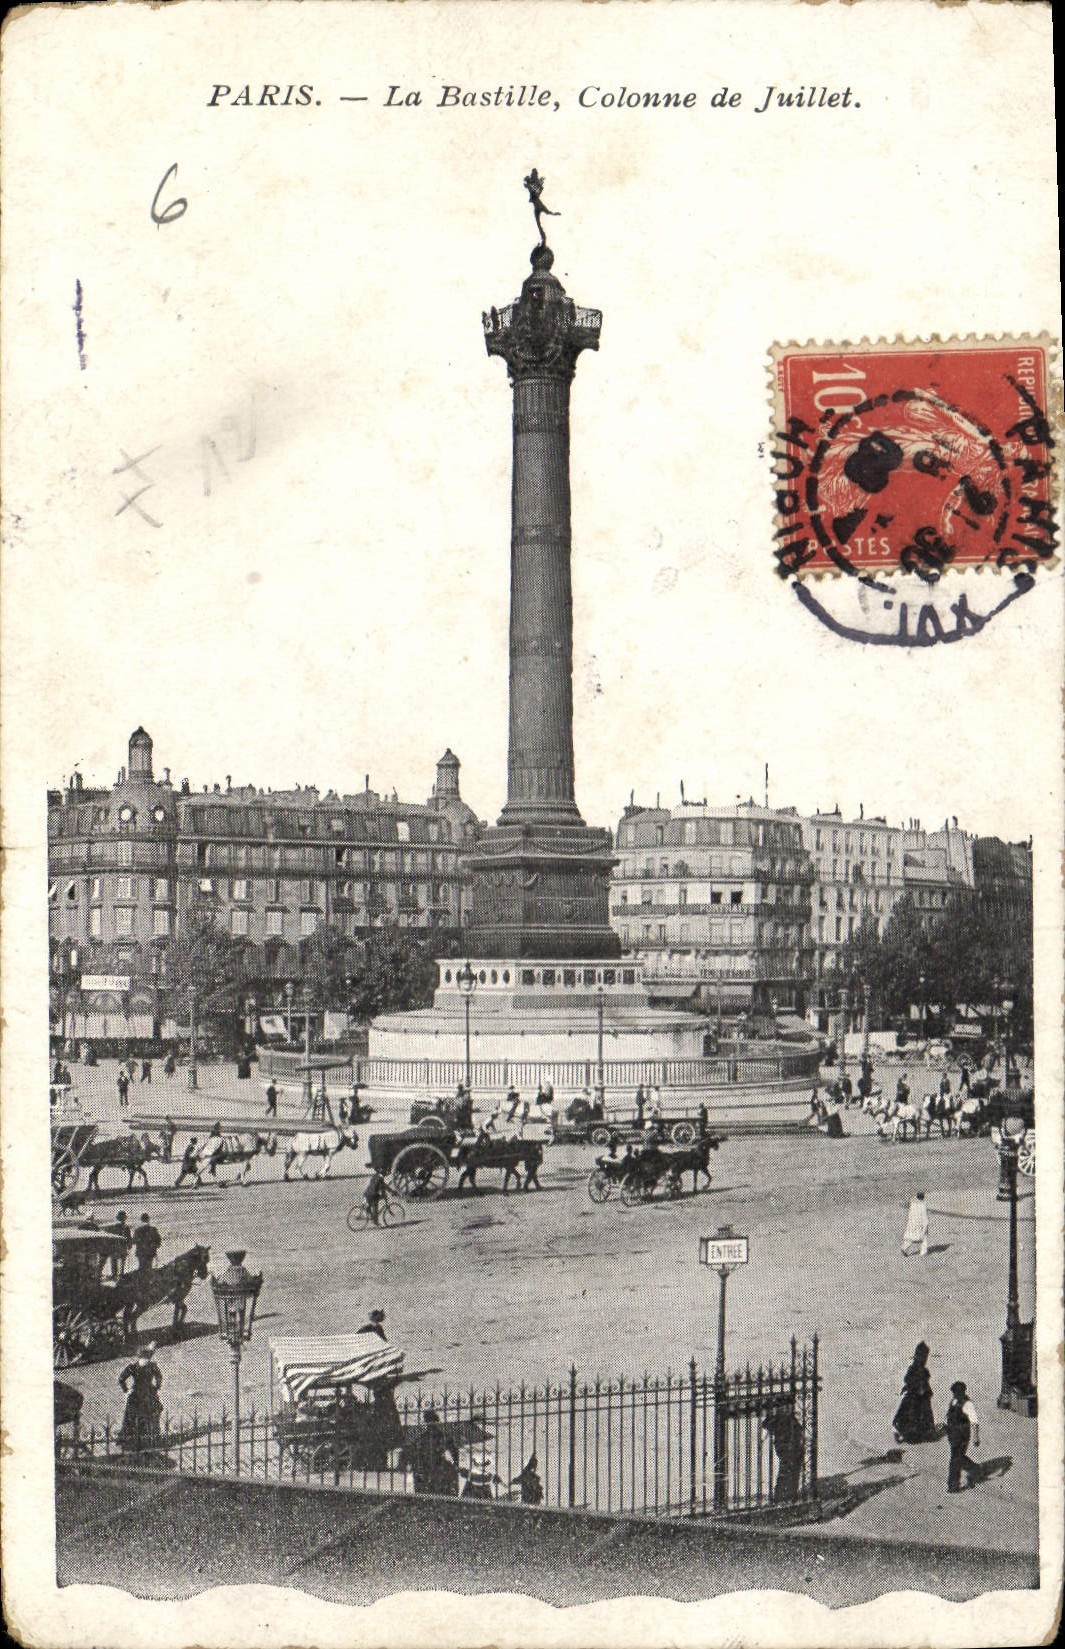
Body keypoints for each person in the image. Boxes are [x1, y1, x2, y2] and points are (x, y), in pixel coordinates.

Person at [118, 1342, 164, 1453]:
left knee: (144, 1418)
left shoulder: (141, 1367)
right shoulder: (140, 1367)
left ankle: (144, 1441)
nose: (146, 1360)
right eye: (145, 1358)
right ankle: (139, 1442)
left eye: (147, 1358)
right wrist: (126, 1391)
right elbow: (121, 1379)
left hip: (143, 1395)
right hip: (142, 1395)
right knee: (139, 1418)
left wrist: (156, 1387)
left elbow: (159, 1377)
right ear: (141, 1357)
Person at [406, 1408, 459, 1496]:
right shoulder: (443, 1436)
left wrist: (415, 1466)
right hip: (439, 1466)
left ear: (426, 1423)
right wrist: (455, 1464)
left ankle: (425, 1498)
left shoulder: (421, 1438)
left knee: (424, 1485)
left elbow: (413, 1454)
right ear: (437, 1421)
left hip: (426, 1467)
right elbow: (454, 1451)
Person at [892, 1341, 937, 1443]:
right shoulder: (913, 1368)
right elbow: (908, 1379)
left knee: (924, 1412)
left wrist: (926, 1391)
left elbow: (925, 1382)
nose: (924, 1359)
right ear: (917, 1355)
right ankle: (908, 1432)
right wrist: (916, 1387)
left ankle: (924, 1431)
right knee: (913, 1413)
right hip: (914, 1396)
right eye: (922, 1356)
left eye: (925, 1356)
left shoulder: (923, 1370)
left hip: (922, 1396)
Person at [945, 1380, 980, 1492]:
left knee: (955, 1459)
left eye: (956, 1392)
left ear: (962, 1392)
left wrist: (975, 1437)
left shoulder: (968, 1404)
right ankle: (975, 1469)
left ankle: (953, 1485)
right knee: (958, 1457)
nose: (954, 1394)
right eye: (954, 1392)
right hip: (953, 1433)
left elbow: (974, 1422)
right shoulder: (954, 1401)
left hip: (962, 1435)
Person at [901, 1191, 929, 1257]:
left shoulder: (913, 1203)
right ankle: (923, 1252)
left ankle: (904, 1247)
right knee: (924, 1237)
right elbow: (924, 1216)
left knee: (911, 1237)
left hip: (912, 1223)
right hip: (920, 1224)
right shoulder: (922, 1205)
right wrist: (926, 1224)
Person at [106, 1211, 133, 1279]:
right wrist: (129, 1245)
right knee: (122, 1261)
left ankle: (114, 1275)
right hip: (122, 1246)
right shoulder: (126, 1227)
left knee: (113, 1261)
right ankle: (121, 1274)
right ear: (124, 1219)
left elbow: (109, 1237)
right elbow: (128, 1238)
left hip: (114, 1247)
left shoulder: (112, 1226)